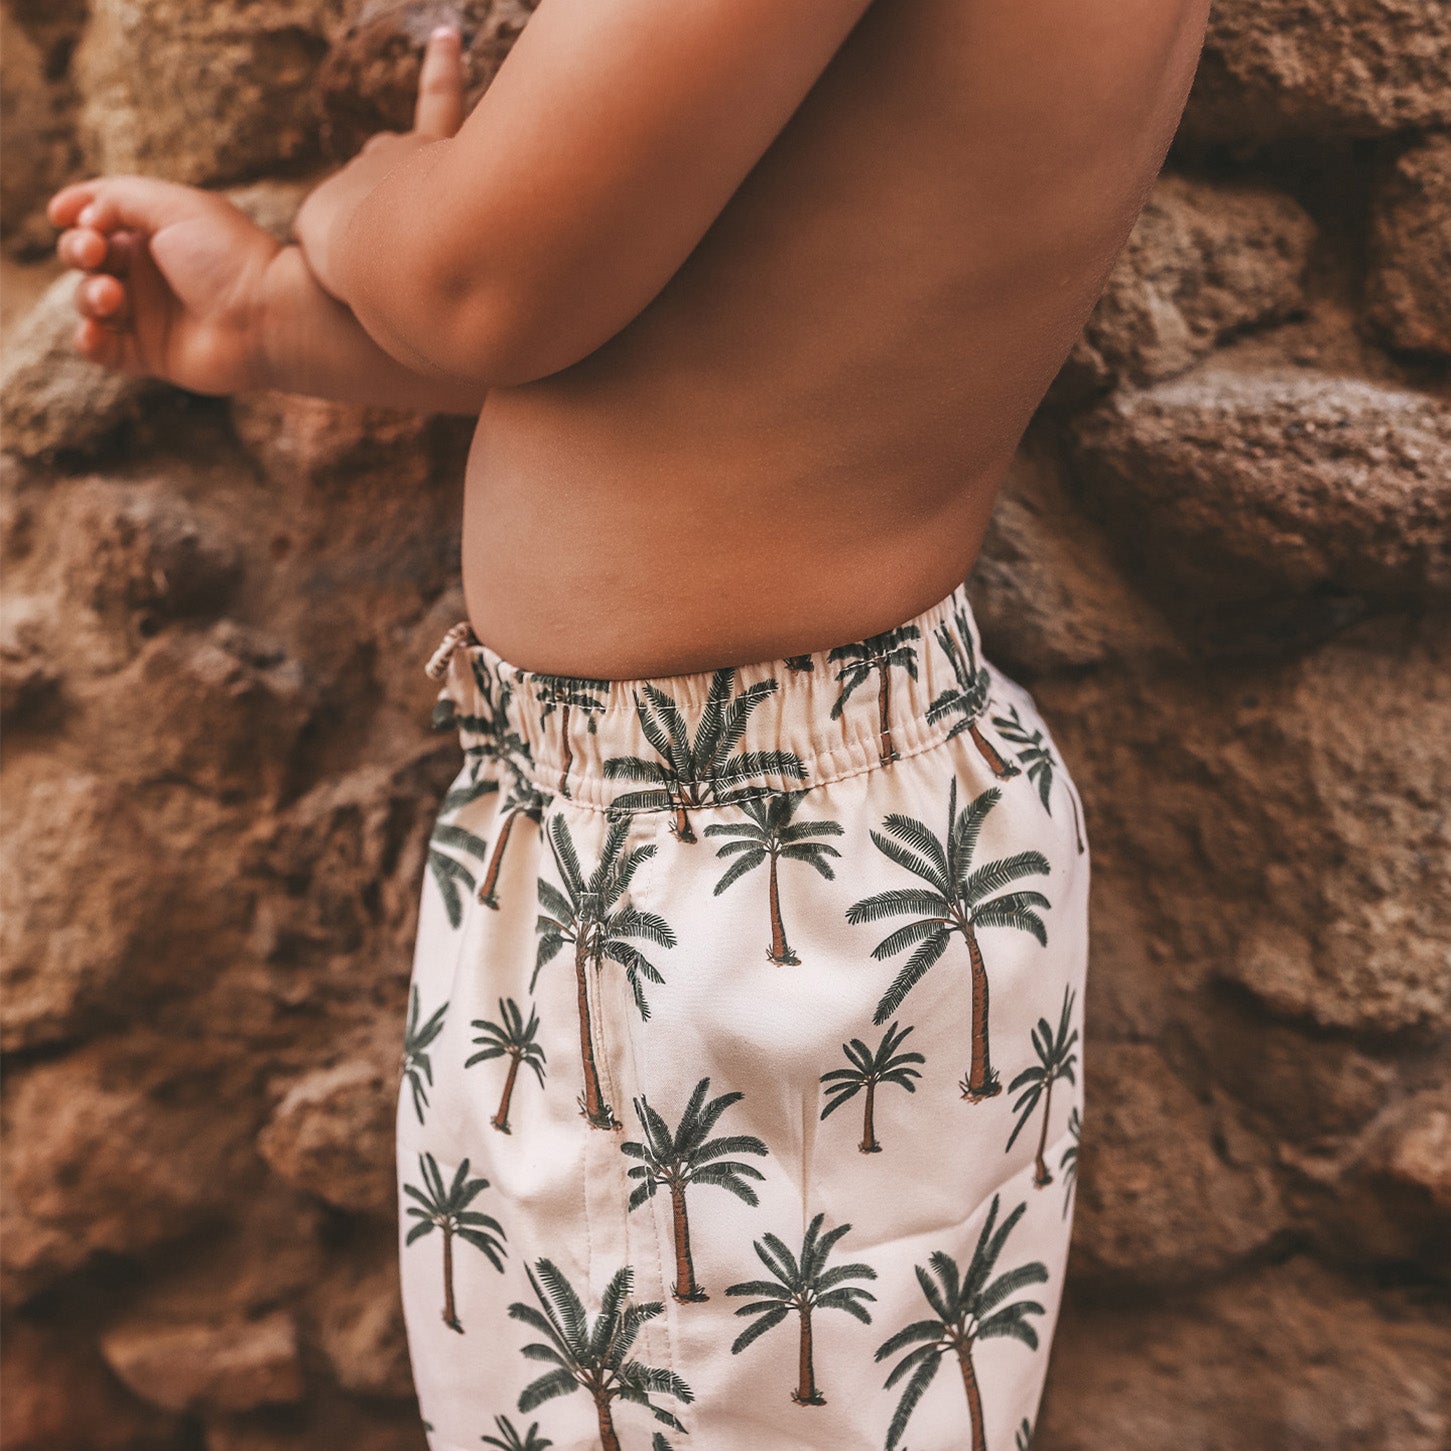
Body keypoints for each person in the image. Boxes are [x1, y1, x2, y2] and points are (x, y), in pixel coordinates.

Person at [48, 1, 1209, 1446]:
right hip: (790, 839)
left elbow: (483, 278)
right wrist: (282, 310)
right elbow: (728, 317)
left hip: (725, 897)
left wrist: (373, 198)